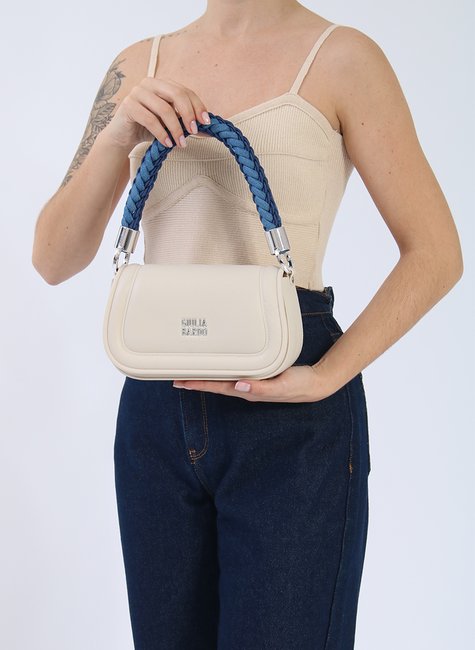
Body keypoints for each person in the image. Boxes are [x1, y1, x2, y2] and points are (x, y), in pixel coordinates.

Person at [31, 1, 463, 648]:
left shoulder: (343, 58)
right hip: (156, 405)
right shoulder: (137, 64)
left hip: (291, 400)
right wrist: (120, 135)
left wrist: (328, 377)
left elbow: (435, 253)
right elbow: (52, 260)